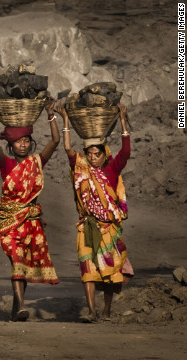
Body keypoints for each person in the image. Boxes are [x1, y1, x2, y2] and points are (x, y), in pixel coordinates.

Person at [58, 103, 133, 322]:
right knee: (87, 269)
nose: (92, 158)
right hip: (87, 226)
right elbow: (68, 150)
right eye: (89, 154)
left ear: (104, 154)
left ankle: (107, 311)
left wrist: (122, 120)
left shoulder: (112, 170)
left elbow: (126, 151)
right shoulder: (81, 168)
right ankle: (91, 311)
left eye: (96, 154)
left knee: (109, 272)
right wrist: (65, 120)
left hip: (108, 228)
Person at [0, 98, 60, 322]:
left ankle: (16, 308)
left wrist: (51, 115)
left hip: (29, 222)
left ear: (31, 143)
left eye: (26, 140)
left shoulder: (37, 162)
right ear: (11, 145)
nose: (23, 144)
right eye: (18, 141)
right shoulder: (6, 164)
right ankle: (20, 307)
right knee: (17, 260)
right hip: (8, 221)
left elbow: (56, 141)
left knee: (22, 265)